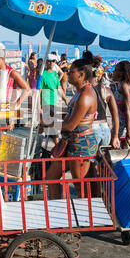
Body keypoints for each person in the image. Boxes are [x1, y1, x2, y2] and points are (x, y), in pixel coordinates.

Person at [45, 59, 98, 199]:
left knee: (80, 187)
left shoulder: (86, 95)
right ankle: (58, 208)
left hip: (81, 144)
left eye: (71, 71)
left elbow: (70, 125)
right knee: (51, 177)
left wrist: (49, 122)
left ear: (81, 74)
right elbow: (70, 113)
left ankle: (86, 217)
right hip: (72, 143)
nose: (68, 73)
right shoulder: (80, 92)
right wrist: (52, 113)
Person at [38, 54, 68, 144]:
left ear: (56, 62)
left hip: (53, 103)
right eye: (49, 61)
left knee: (43, 126)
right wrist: (38, 107)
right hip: (46, 103)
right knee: (51, 127)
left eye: (53, 61)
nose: (51, 63)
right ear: (46, 62)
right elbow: (38, 92)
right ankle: (57, 147)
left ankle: (35, 142)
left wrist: (66, 100)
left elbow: (59, 89)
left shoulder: (55, 74)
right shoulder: (42, 75)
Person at [91, 60, 120, 149]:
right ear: (99, 75)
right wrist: (115, 136)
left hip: (92, 128)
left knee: (89, 161)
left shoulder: (86, 92)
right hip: (105, 129)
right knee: (102, 160)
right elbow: (115, 116)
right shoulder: (107, 90)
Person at [112, 60, 130, 147]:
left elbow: (128, 109)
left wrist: (129, 131)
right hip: (122, 122)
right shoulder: (123, 84)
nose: (113, 72)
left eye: (116, 70)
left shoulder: (124, 86)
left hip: (124, 124)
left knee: (118, 149)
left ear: (122, 73)